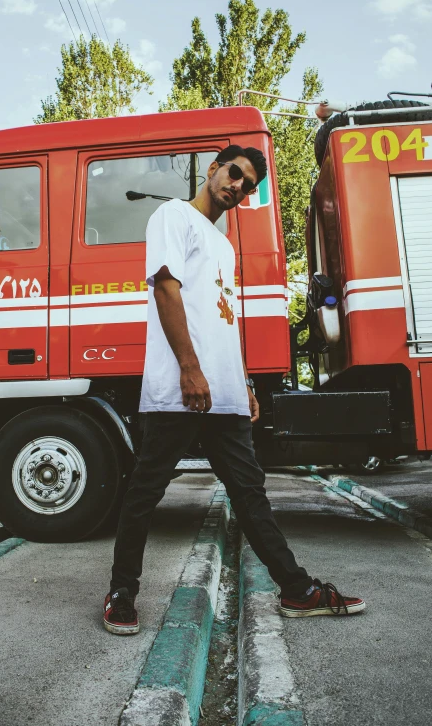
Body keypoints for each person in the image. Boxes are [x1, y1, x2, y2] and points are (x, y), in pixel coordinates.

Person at [103, 145, 365, 635]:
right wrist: (189, 368)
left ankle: (297, 590)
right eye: (234, 174)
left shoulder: (223, 245)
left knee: (250, 494)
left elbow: (225, 322)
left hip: (222, 393)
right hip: (179, 388)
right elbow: (165, 286)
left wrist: (241, 382)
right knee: (144, 493)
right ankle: (122, 593)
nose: (238, 187)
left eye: (247, 185)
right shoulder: (172, 215)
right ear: (213, 169)